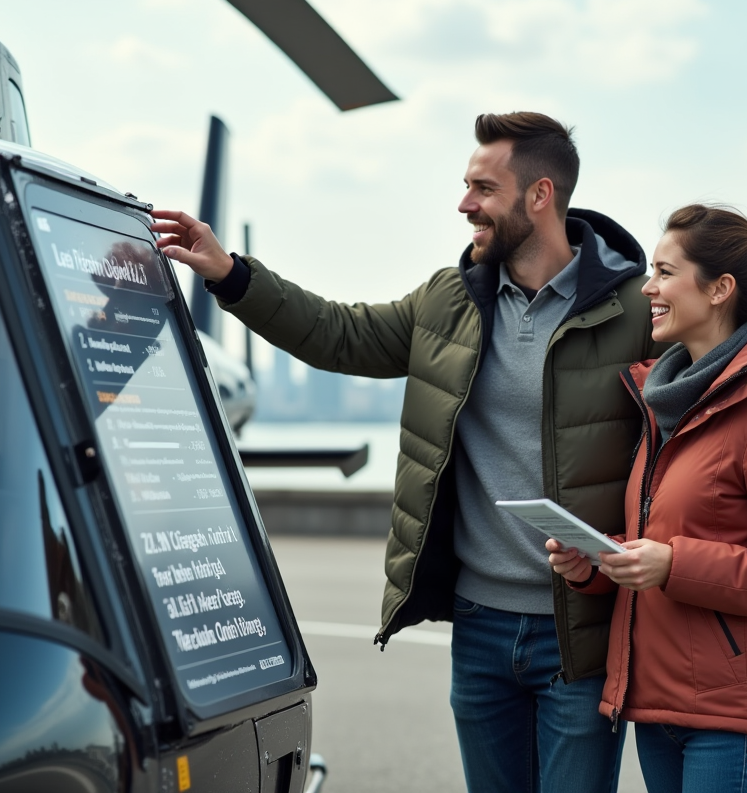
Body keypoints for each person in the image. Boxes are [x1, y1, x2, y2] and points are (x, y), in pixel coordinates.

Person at [150, 112, 666, 793]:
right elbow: (338, 334)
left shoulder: (637, 309)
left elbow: (698, 426)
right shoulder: (448, 300)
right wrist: (230, 274)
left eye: (483, 188)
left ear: (539, 196)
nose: (464, 204)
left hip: (584, 629)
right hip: (480, 629)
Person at [547, 203, 747, 792]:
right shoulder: (665, 403)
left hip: (732, 715)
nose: (647, 288)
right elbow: (661, 546)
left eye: (663, 272)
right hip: (659, 705)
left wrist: (673, 564)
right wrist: (599, 564)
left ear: (719, 290)